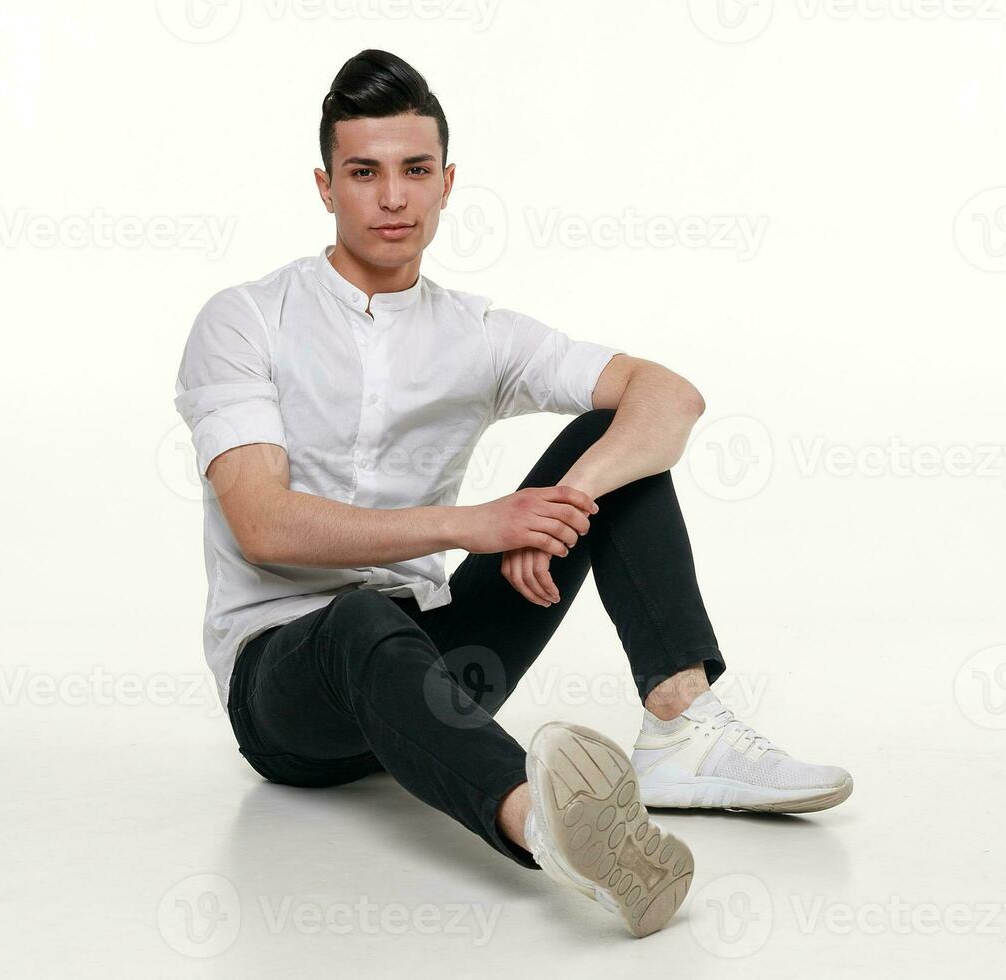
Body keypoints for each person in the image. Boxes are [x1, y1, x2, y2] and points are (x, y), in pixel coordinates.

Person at [172, 48, 852, 939]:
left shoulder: (476, 333)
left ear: (448, 184)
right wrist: (480, 524)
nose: (393, 198)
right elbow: (262, 525)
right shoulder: (246, 319)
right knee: (356, 619)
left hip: (435, 661)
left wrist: (565, 502)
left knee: (608, 448)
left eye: (416, 171)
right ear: (324, 186)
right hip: (283, 689)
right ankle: (550, 827)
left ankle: (682, 729)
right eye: (364, 173)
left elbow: (669, 397)